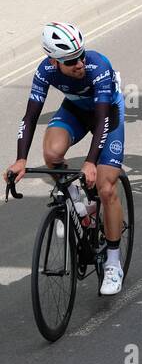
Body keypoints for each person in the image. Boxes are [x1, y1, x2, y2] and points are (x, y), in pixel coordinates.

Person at [6, 23, 127, 295]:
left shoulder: (98, 67)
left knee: (106, 188)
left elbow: (102, 120)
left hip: (107, 114)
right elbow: (30, 116)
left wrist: (90, 162)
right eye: (71, 61)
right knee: (51, 153)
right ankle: (78, 201)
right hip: (75, 109)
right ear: (53, 61)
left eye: (81, 55)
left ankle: (112, 262)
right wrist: (20, 159)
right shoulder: (45, 70)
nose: (80, 63)